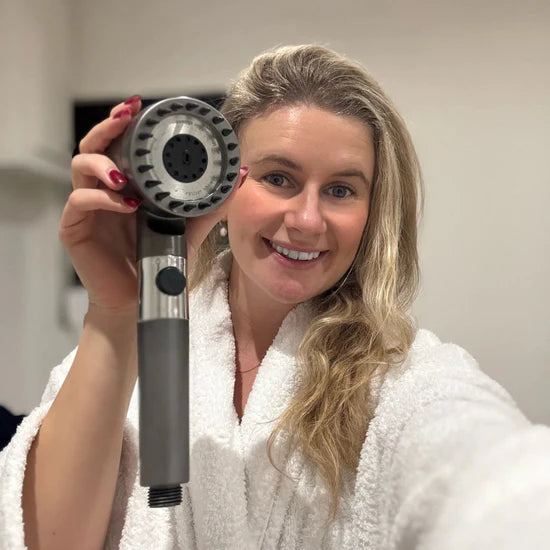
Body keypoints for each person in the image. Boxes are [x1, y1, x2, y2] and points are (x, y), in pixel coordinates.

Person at [1, 45, 549, 550]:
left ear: (373, 211)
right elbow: (45, 542)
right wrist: (116, 314)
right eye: (279, 178)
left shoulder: (407, 381)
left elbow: (481, 465)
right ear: (221, 185)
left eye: (340, 190)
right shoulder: (125, 358)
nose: (307, 220)